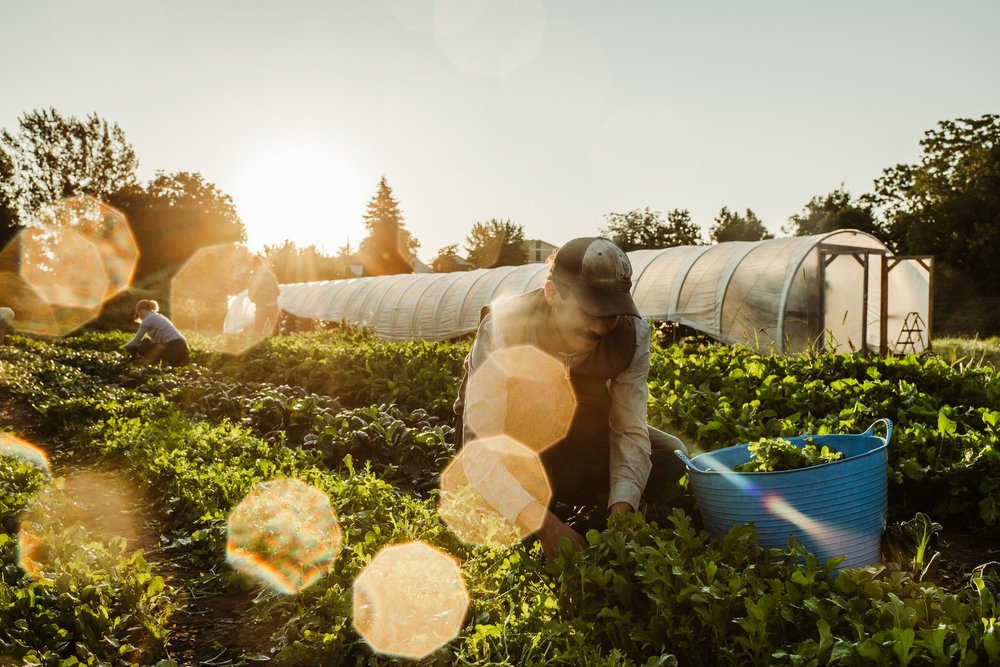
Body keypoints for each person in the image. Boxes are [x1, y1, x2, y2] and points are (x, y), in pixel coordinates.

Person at [453, 237, 689, 560]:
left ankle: (574, 494)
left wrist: (622, 513)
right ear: (553, 294)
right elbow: (481, 450)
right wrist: (546, 527)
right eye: (591, 309)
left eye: (612, 312)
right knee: (488, 499)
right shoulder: (505, 329)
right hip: (511, 442)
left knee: (672, 454)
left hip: (574, 432)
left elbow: (629, 432)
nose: (601, 327)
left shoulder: (632, 336)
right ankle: (528, 503)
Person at [124, 299, 189, 366]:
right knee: (146, 341)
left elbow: (136, 342)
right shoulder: (157, 316)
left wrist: (124, 347)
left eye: (138, 314)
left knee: (142, 348)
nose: (139, 317)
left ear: (142, 311)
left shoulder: (148, 319)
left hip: (174, 348)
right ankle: (157, 363)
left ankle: (155, 364)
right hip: (182, 347)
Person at [248, 256, 281, 335]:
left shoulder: (253, 277)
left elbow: (251, 295)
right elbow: (278, 292)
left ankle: (260, 346)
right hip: (273, 305)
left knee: (257, 332)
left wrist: (256, 299)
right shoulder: (271, 275)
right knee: (276, 332)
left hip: (261, 306)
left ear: (254, 266)